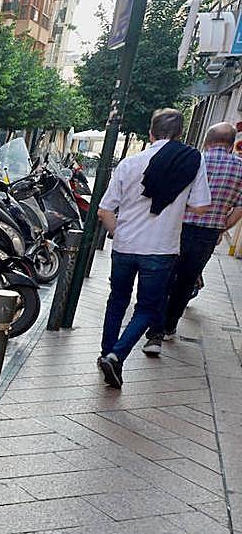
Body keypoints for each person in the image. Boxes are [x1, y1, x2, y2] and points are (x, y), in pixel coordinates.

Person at [96, 108, 211, 388]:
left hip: (124, 246)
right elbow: (201, 205)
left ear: (150, 132)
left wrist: (119, 233)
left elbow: (104, 210)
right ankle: (117, 354)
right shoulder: (190, 163)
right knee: (147, 309)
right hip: (160, 249)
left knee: (117, 299)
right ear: (180, 134)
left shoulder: (129, 164)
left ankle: (106, 352)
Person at [141, 121, 242, 355]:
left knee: (164, 275)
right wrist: (220, 227)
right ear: (230, 144)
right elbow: (239, 208)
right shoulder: (239, 168)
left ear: (207, 141)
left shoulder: (194, 160)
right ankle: (169, 326)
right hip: (207, 234)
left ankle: (153, 329)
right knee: (186, 281)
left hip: (177, 227)